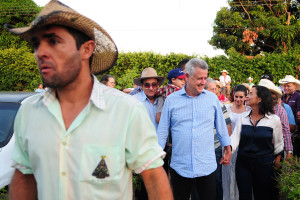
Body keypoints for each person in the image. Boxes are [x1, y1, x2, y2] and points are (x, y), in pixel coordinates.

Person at [6, 1, 173, 199]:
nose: (40, 52)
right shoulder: (29, 112)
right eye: (36, 44)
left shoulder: (126, 111)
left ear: (87, 49)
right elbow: (24, 175)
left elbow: (153, 177)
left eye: (53, 41)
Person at [157, 58, 232, 200]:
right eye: (199, 78)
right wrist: (156, 157)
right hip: (180, 167)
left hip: (206, 166)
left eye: (205, 78)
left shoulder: (212, 99)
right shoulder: (171, 100)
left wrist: (227, 147)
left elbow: (221, 126)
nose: (204, 82)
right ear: (187, 77)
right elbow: (162, 132)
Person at [232, 86, 284, 200]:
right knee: (244, 196)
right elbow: (234, 139)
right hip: (243, 164)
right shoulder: (242, 118)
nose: (247, 96)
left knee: (263, 196)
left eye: (250, 93)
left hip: (264, 165)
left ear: (259, 99)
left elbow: (279, 144)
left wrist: (277, 162)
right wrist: (228, 151)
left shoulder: (274, 119)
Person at [194, 78, 232, 200]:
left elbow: (228, 129)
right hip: (200, 150)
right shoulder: (196, 104)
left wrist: (226, 147)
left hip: (215, 149)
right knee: (200, 182)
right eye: (212, 89)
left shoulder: (220, 105)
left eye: (216, 89)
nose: (215, 91)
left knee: (215, 181)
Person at [222, 84, 251, 200]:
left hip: (244, 146)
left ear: (245, 97)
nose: (238, 99)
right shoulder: (227, 109)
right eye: (236, 97)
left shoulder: (249, 110)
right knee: (228, 175)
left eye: (241, 97)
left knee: (242, 176)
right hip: (229, 146)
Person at [259, 79, 293, 160]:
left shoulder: (280, 110)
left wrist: (289, 151)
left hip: (274, 150)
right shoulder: (254, 108)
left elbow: (286, 131)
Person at [279, 75, 300, 157]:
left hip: (294, 130)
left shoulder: (298, 96)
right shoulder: (283, 97)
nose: (286, 88)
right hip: (284, 129)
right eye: (284, 86)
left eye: (288, 86)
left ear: (294, 86)